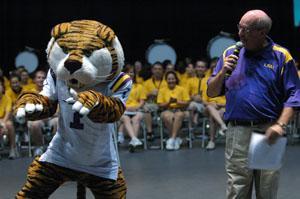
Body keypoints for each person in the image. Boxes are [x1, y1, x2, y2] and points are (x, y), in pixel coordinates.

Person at [207, 9, 300, 198]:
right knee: (237, 188)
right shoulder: (229, 53)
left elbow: (295, 94)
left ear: (262, 32)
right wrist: (223, 72)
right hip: (237, 131)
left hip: (269, 131)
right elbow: (211, 92)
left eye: (246, 29)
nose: (240, 34)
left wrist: (281, 125)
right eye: (239, 27)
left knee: (267, 189)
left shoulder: (281, 56)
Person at [157, 70, 190, 150]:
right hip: (167, 109)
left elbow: (187, 102)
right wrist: (169, 102)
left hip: (180, 110)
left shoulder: (182, 89)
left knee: (178, 115)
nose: (171, 81)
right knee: (167, 116)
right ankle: (176, 138)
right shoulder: (162, 90)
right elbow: (160, 104)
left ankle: (172, 139)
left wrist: (177, 102)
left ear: (176, 79)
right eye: (169, 79)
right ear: (166, 80)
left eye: (173, 79)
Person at [118, 65, 146, 151]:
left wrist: (135, 107)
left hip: (136, 110)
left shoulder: (139, 86)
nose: (130, 74)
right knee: (125, 118)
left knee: (136, 118)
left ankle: (133, 140)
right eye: (128, 72)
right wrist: (126, 107)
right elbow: (117, 100)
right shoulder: (119, 87)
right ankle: (134, 140)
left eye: (131, 72)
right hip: (123, 110)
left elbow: (142, 101)